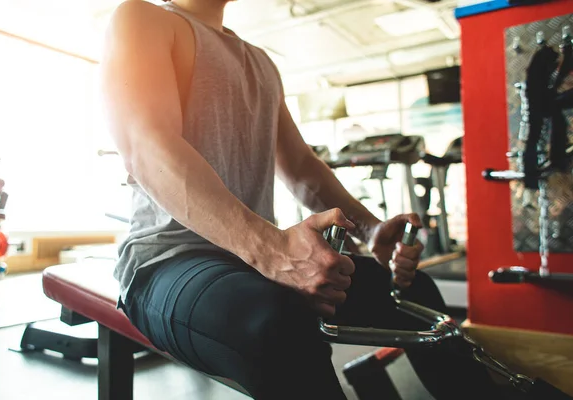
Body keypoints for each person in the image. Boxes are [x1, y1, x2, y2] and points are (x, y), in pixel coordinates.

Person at [100, 1, 504, 399]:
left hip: (246, 263)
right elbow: (146, 147)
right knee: (276, 323)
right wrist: (271, 249)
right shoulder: (143, 18)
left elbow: (299, 165)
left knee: (417, 293)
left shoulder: (259, 61)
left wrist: (371, 228)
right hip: (168, 261)